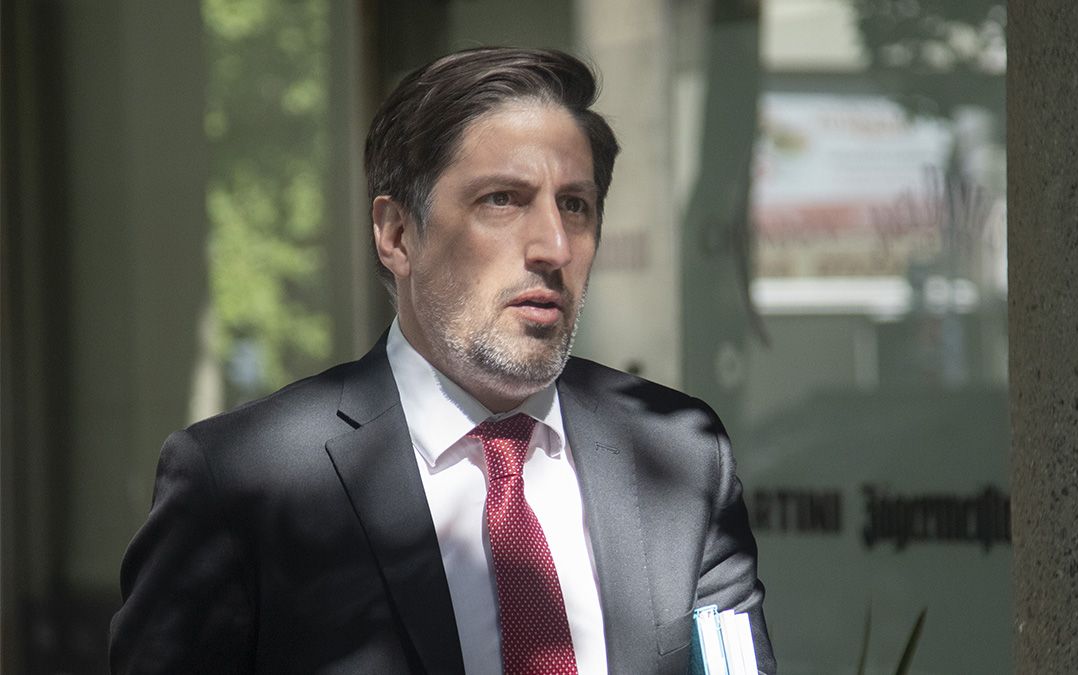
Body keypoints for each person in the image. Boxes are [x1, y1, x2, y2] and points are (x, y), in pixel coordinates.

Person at [110, 46, 774, 674]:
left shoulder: (680, 454)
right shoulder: (244, 483)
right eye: (502, 200)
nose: (554, 246)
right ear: (397, 234)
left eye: (575, 205)